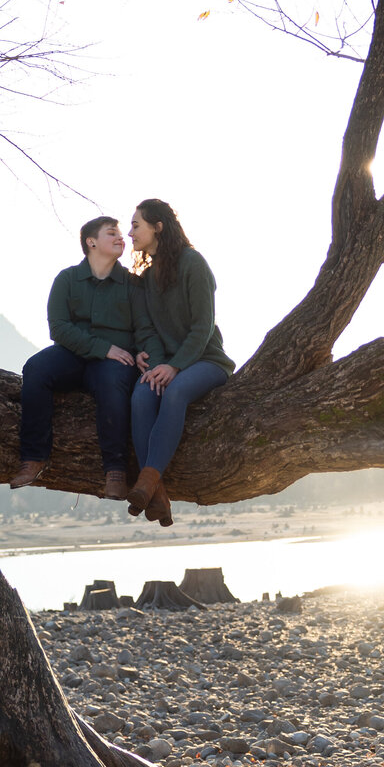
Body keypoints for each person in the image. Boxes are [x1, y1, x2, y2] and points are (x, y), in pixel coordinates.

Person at [9, 214, 162, 499]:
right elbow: (59, 328)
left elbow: (145, 328)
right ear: (91, 242)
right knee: (36, 369)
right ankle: (34, 458)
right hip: (73, 354)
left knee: (111, 384)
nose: (121, 237)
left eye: (120, 233)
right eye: (111, 233)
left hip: (116, 362)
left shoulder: (132, 284)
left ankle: (115, 471)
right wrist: (102, 348)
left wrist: (145, 354)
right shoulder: (67, 279)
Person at [127, 198, 234, 528]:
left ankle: (146, 483)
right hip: (169, 364)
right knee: (142, 396)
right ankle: (156, 495)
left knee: (174, 394)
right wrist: (158, 365)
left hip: (206, 361)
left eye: (136, 225)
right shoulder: (145, 278)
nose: (130, 232)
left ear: (157, 227)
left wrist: (174, 367)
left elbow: (203, 327)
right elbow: (148, 330)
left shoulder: (194, 264)